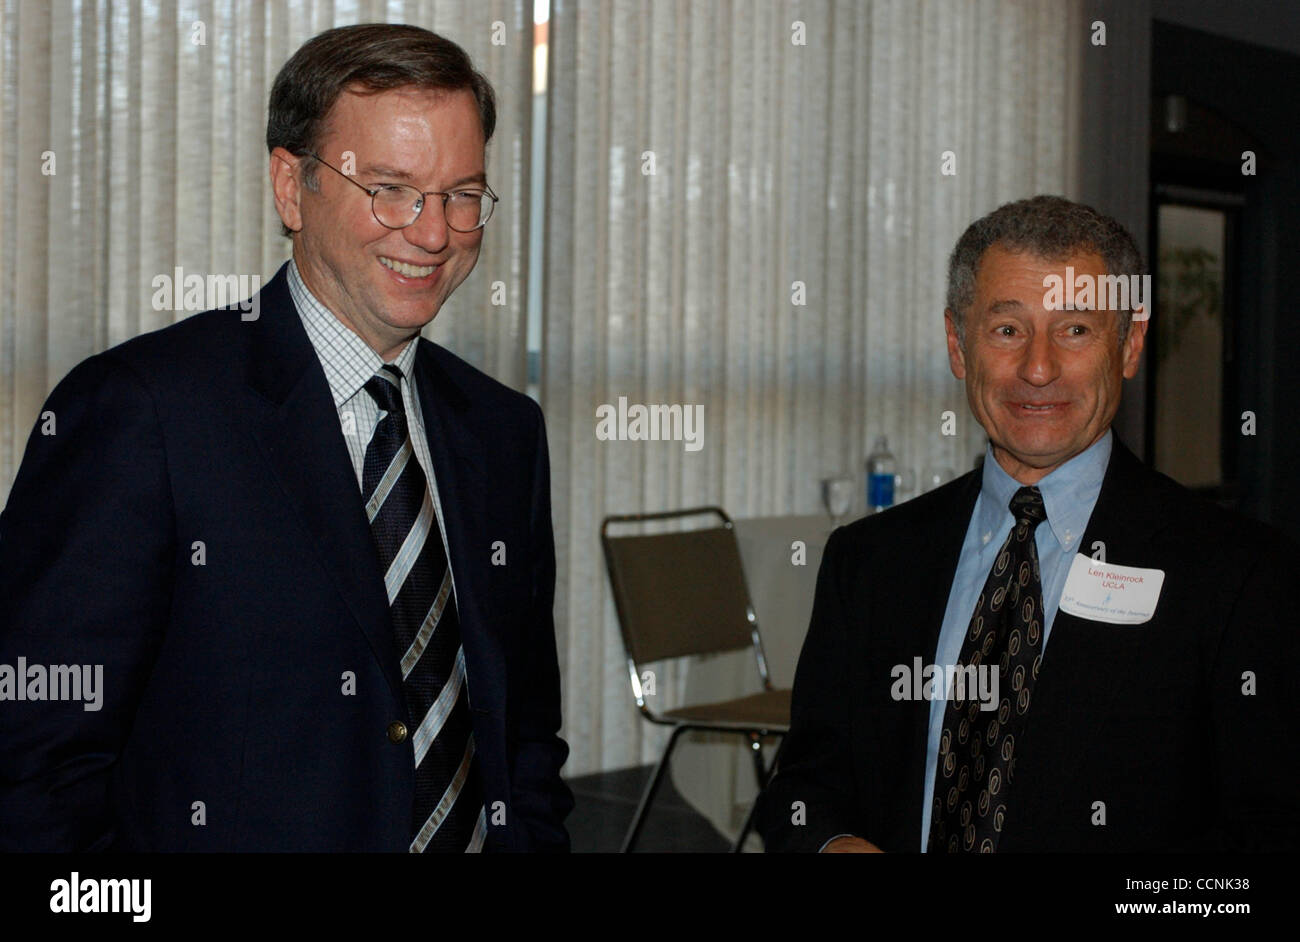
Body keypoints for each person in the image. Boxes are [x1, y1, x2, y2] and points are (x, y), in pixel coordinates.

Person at [0, 24, 572, 852]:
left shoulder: (504, 431)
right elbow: (34, 767)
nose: (434, 232)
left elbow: (521, 738)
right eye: (391, 189)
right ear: (290, 186)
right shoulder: (139, 413)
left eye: (461, 194)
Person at [758, 195, 1298, 853]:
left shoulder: (1237, 575)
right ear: (959, 345)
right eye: (1007, 329)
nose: (1038, 370)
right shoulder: (869, 561)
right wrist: (831, 843)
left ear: (1128, 346)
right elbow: (804, 785)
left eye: (1075, 330)